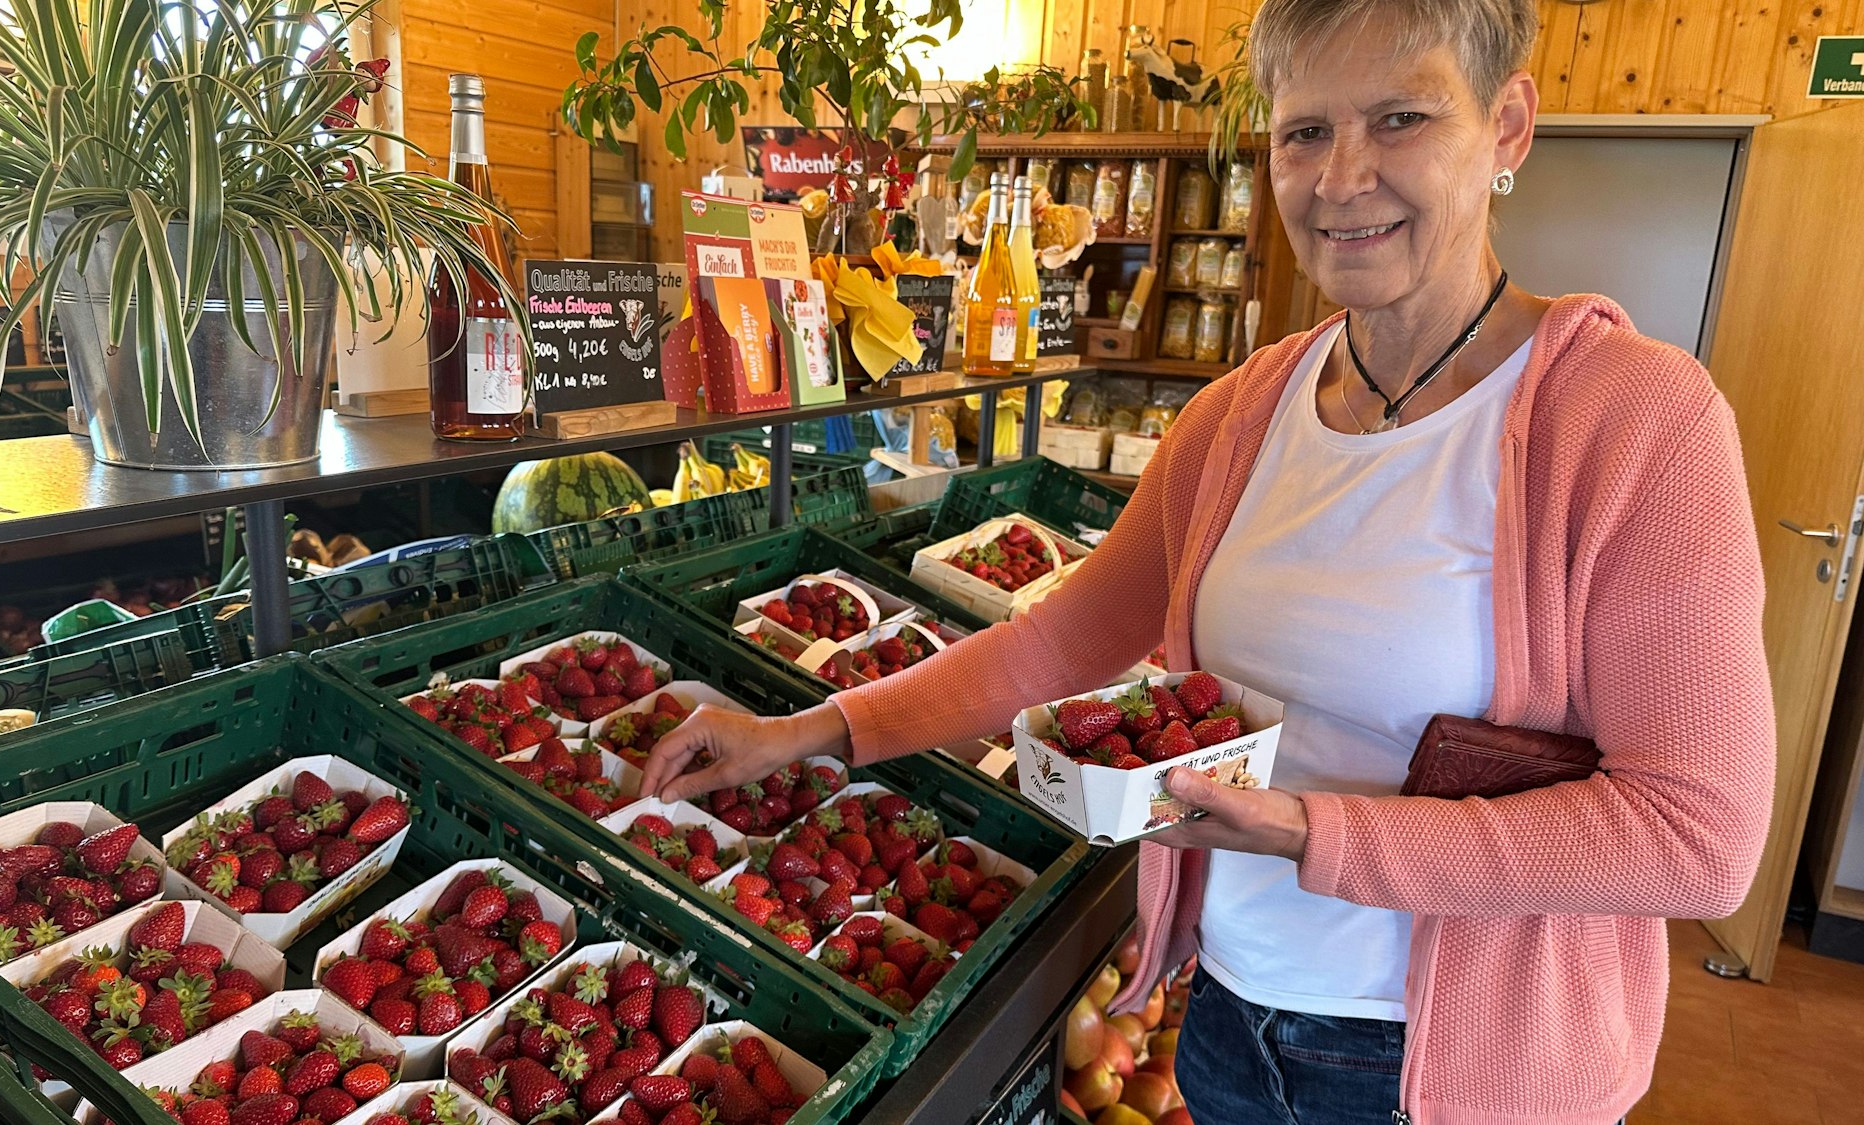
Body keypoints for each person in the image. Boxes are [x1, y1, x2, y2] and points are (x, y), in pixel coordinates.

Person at [639, 0, 1776, 1119]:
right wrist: (805, 731)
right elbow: (1059, 641)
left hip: (1457, 1073)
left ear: (1507, 126)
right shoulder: (1241, 412)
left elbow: (1693, 839)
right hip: (1228, 1022)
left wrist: (1305, 831)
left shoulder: (1634, 421)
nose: (1340, 178)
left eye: (1400, 119)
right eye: (1304, 132)